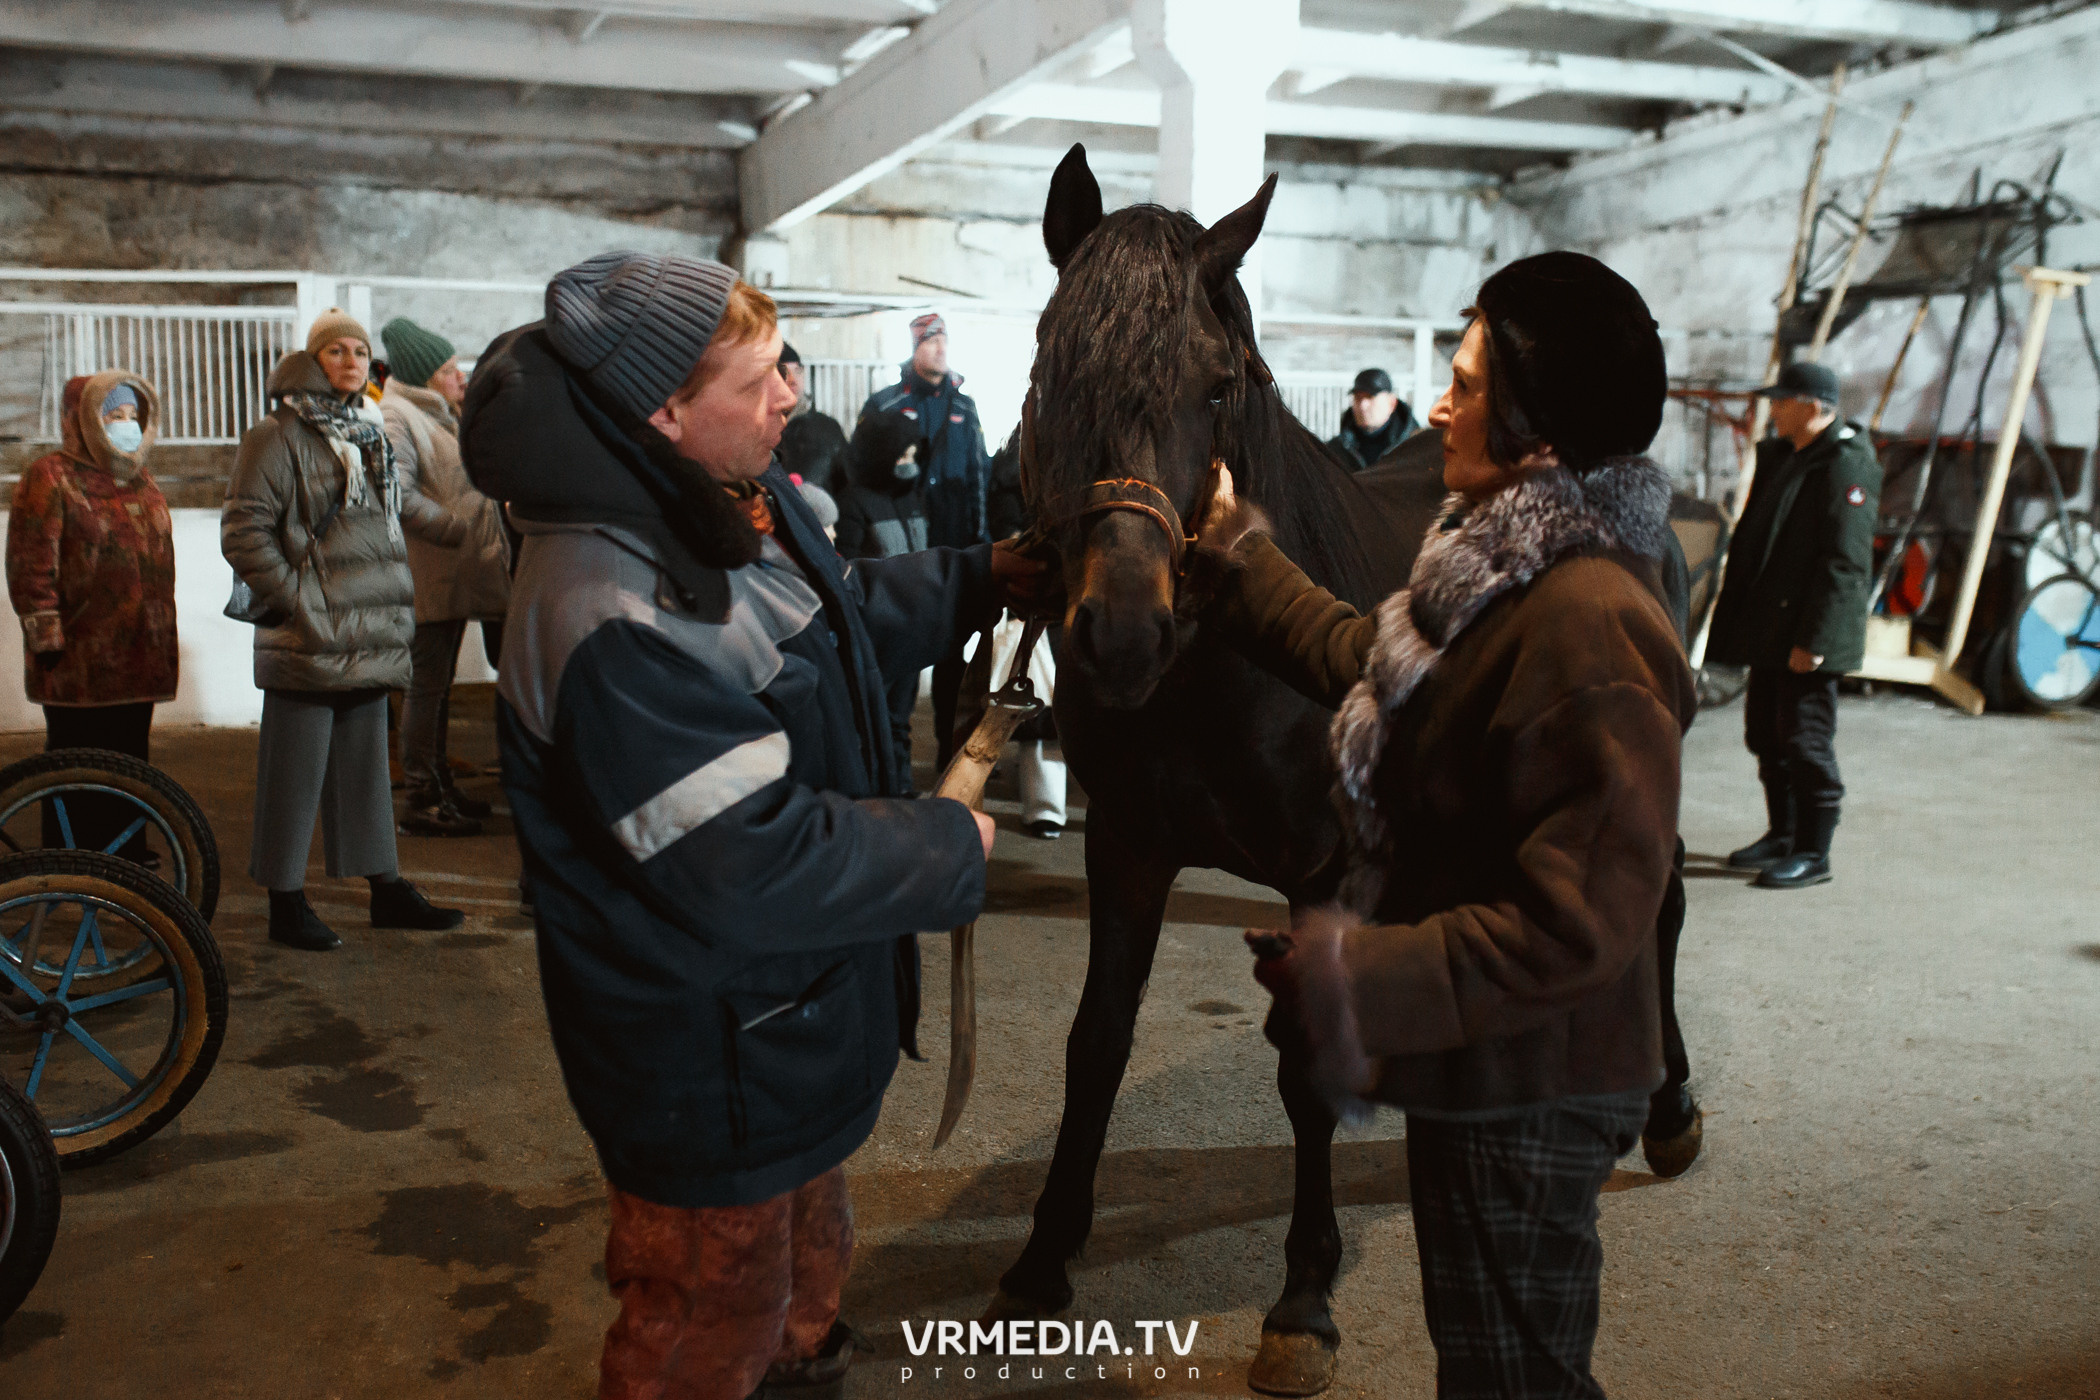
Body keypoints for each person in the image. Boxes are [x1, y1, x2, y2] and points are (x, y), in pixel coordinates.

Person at [459, 251, 1044, 1400]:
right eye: (758, 376)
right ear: (665, 411)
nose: (790, 393)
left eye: (785, 361)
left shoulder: (720, 508)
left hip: (782, 1027)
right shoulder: (611, 609)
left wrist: (987, 572)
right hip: (706, 1057)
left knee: (802, 1277)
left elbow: (837, 621)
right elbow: (745, 857)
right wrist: (940, 850)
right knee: (706, 1321)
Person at [1201, 252, 1694, 1398]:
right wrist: (1243, 557)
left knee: (1516, 1376)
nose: (1439, 405)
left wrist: (1353, 972)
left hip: (1540, 1079)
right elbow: (1370, 663)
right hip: (1487, 1051)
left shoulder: (1588, 620)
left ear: (1539, 428)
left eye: (1468, 385)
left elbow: (1575, 926)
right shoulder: (1501, 567)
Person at [222, 309, 464, 950]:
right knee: (293, 775)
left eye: (360, 349)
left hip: (369, 630)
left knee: (364, 771)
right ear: (311, 360)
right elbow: (243, 532)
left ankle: (384, 888)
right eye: (336, 350)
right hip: (311, 634)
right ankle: (284, 900)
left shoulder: (369, 431)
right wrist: (300, 602)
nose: (352, 359)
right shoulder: (275, 436)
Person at [1706, 360, 1880, 891]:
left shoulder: (1845, 464)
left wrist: (1817, 641)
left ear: (1812, 406)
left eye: (1781, 401)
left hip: (1806, 633)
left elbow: (1845, 563)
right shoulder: (1787, 455)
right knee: (1765, 734)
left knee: (1806, 741)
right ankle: (1782, 835)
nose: (1772, 411)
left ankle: (1813, 852)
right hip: (1771, 627)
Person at [5, 371, 176, 861]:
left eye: (131, 417)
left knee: (129, 759)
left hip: (139, 656)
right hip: (78, 660)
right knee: (75, 763)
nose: (125, 426)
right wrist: (46, 634)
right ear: (83, 421)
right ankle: (71, 862)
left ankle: (125, 853)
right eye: (112, 416)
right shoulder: (51, 477)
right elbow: (31, 563)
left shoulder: (140, 479)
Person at [380, 316, 511, 838]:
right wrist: (458, 531)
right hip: (428, 572)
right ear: (424, 375)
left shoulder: (434, 415)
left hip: (448, 574)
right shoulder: (397, 417)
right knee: (425, 688)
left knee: (437, 689)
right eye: (450, 368)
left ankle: (439, 787)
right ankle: (422, 798)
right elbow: (398, 494)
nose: (460, 376)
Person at [860, 313, 992, 766]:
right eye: (930, 341)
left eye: (944, 341)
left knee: (955, 657)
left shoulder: (966, 406)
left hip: (956, 542)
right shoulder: (886, 403)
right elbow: (864, 470)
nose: (939, 348)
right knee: (904, 655)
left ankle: (949, 756)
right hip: (904, 544)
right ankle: (892, 762)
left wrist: (981, 538)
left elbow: (978, 473)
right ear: (914, 347)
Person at [775, 341, 848, 497]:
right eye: (784, 372)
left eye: (798, 371)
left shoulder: (826, 428)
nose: (793, 380)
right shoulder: (759, 430)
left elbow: (846, 487)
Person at [1327, 367, 1417, 471]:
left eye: (1370, 397)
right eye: (1358, 398)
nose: (1363, 405)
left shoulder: (1415, 447)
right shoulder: (1336, 450)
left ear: (1391, 403)